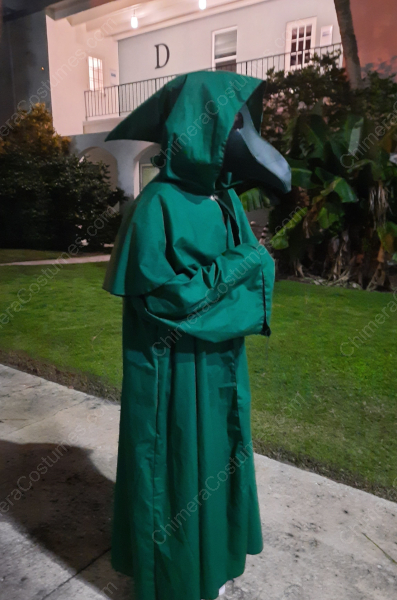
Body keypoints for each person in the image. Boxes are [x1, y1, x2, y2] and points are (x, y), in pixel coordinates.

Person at [103, 70, 291, 600]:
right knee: (179, 464)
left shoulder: (222, 197)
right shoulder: (156, 207)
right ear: (198, 127)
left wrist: (245, 264)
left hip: (218, 365)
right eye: (232, 121)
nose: (242, 132)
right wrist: (247, 264)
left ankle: (218, 558)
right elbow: (169, 299)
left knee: (218, 454)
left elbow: (233, 273)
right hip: (175, 373)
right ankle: (179, 576)